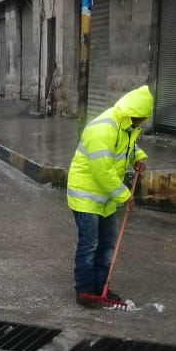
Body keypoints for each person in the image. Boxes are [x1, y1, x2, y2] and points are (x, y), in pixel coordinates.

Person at [66, 85, 154, 307]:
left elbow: (128, 149)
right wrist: (125, 195)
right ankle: (84, 290)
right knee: (89, 244)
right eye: (141, 119)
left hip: (106, 197)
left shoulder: (126, 126)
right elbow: (102, 170)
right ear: (133, 114)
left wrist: (139, 158)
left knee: (107, 243)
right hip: (86, 196)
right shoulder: (103, 129)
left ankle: (100, 288)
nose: (141, 123)